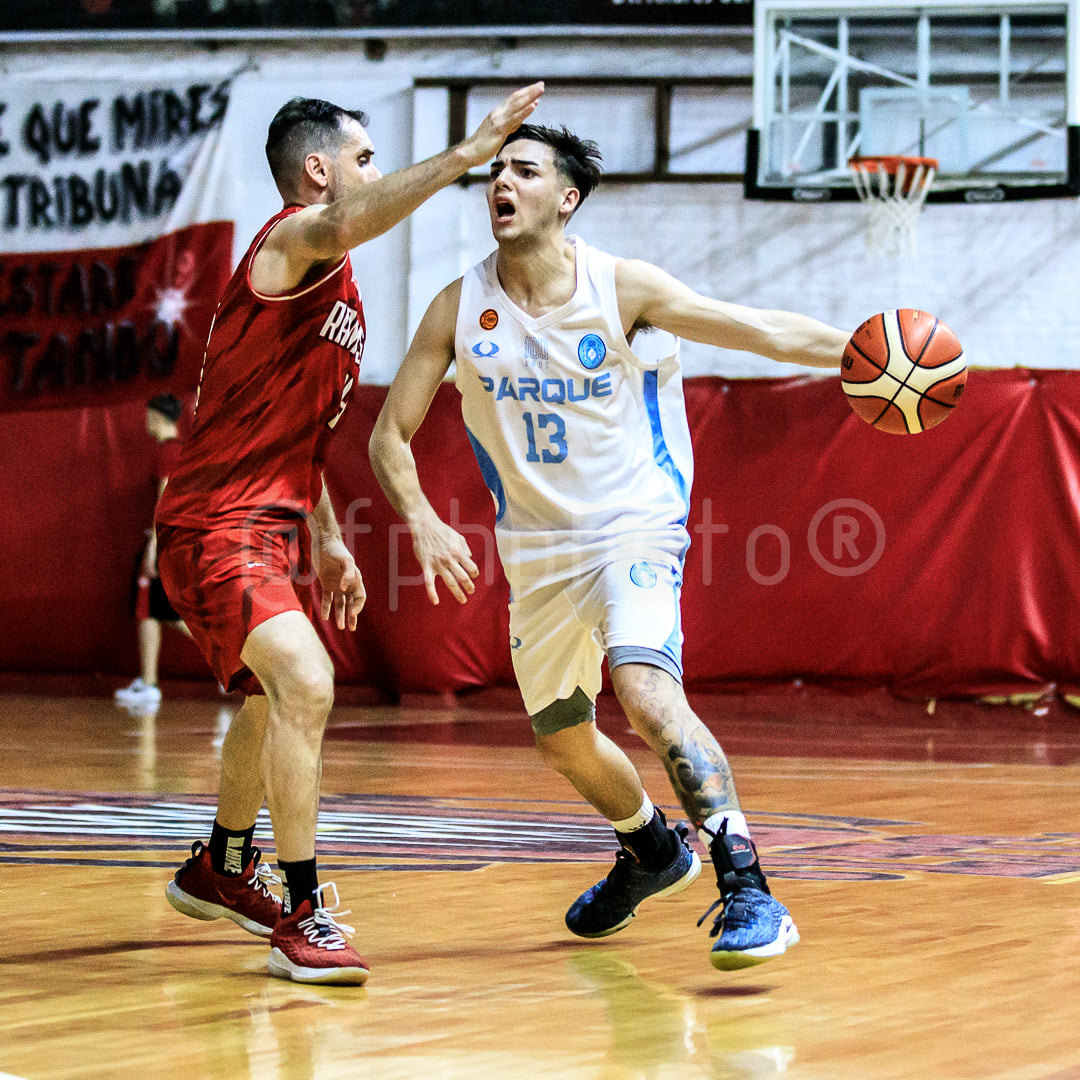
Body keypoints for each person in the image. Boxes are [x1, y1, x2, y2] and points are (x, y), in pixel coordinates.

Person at [368, 123, 850, 970]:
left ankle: (749, 888)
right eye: (496, 173)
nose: (501, 184)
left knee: (643, 685)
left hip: (634, 527)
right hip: (539, 555)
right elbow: (387, 438)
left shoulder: (621, 287)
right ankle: (650, 849)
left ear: (567, 198)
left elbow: (758, 330)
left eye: (524, 171)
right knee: (559, 737)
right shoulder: (458, 305)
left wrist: (863, 352)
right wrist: (423, 518)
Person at [154, 83, 545, 986]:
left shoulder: (341, 293)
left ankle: (220, 863)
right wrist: (464, 153)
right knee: (306, 679)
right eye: (364, 159)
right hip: (213, 524)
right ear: (319, 171)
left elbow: (301, 431)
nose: (374, 173)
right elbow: (348, 219)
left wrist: (326, 537)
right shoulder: (291, 241)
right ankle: (303, 911)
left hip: (272, 521)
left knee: (268, 695)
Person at [114, 393, 192, 713]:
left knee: (165, 612)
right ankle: (148, 682)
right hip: (171, 542)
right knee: (152, 611)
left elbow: (165, 503)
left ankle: (238, 659)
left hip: (166, 543)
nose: (145, 422)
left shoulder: (169, 454)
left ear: (158, 416)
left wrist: (153, 547)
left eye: (148, 416)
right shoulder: (178, 452)